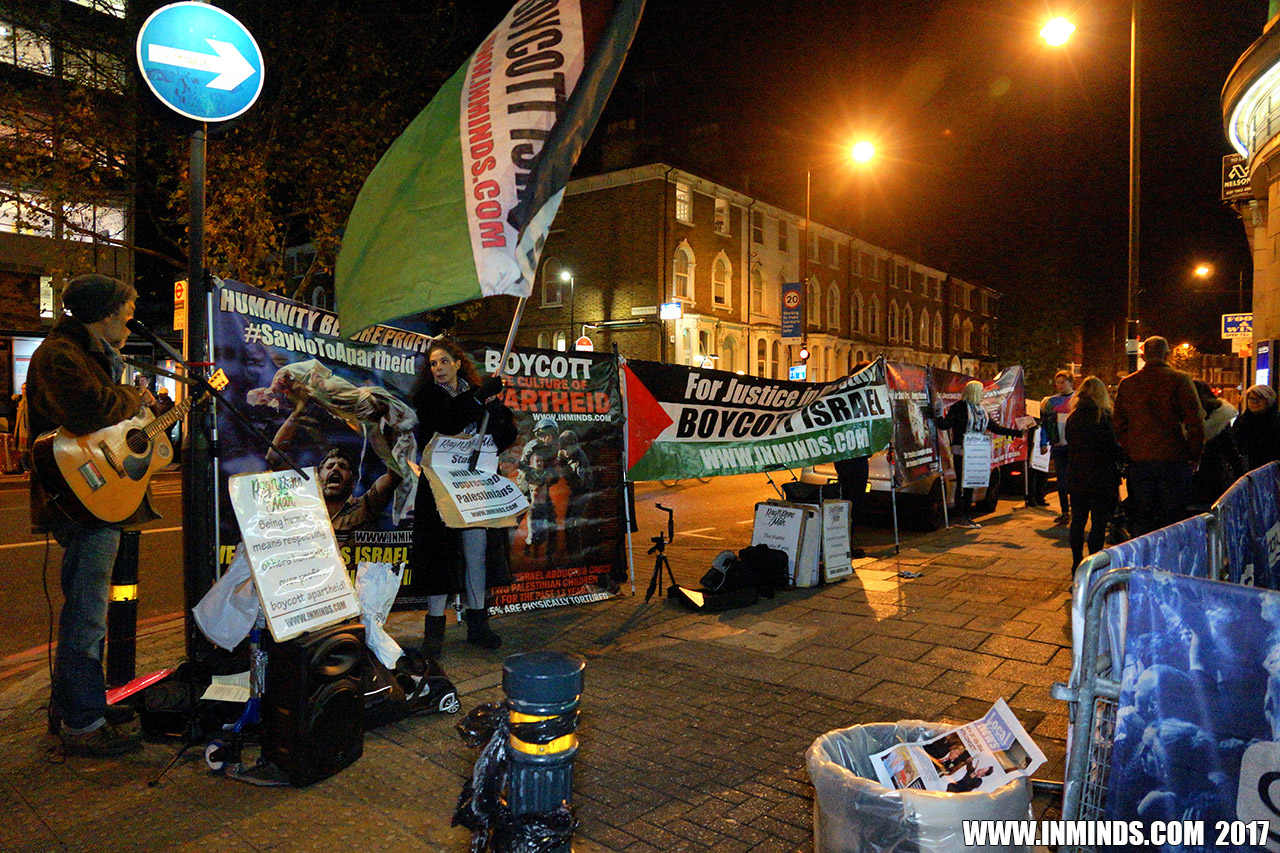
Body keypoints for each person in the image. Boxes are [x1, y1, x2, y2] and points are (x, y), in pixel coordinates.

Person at [26, 274, 158, 757]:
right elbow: (90, 410)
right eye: (127, 308)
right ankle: (83, 722)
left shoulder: (91, 354)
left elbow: (109, 429)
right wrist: (134, 399)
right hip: (80, 499)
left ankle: (78, 704)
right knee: (86, 616)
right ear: (105, 312)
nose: (131, 316)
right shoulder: (60, 356)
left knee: (89, 612)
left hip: (96, 497)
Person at [408, 339, 516, 655]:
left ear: (458, 363)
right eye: (433, 364)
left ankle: (478, 624)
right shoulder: (427, 397)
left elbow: (503, 436)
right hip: (440, 488)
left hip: (473, 487)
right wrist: (478, 398)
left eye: (444, 361)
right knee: (440, 557)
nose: (438, 368)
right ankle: (434, 631)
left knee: (476, 554)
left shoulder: (478, 395)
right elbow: (446, 421)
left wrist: (497, 413)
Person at [1113, 336, 1205, 537]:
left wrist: (1132, 448)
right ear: (1167, 354)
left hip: (1140, 461)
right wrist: (1194, 455)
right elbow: (1195, 422)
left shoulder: (1128, 383)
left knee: (1142, 517)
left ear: (1143, 356)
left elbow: (1119, 423)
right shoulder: (1180, 380)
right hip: (1174, 459)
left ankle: (1143, 554)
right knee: (1173, 519)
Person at [930, 380, 1022, 529]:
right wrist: (938, 414)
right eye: (981, 391)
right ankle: (961, 517)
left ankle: (967, 516)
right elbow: (945, 425)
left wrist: (1016, 433)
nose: (983, 394)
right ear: (974, 392)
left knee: (971, 483)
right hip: (962, 451)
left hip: (977, 451)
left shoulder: (981, 410)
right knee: (963, 483)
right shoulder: (959, 407)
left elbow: (995, 428)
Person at [1062, 376, 1124, 570]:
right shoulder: (1103, 417)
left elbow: (1070, 444)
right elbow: (1111, 447)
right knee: (1098, 523)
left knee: (1078, 522)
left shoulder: (1073, 417)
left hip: (1077, 475)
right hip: (1101, 478)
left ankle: (1076, 562)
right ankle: (1093, 564)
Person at [833, 360, 871, 558]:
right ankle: (844, 543)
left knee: (850, 500)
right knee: (852, 501)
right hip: (852, 455)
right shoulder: (855, 396)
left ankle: (844, 542)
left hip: (848, 455)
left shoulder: (845, 393)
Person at [1191, 380, 1241, 507]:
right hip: (1215, 475)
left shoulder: (1185, 417)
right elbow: (1231, 452)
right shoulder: (1221, 419)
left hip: (1187, 475)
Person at [518, 417, 561, 560]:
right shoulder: (532, 446)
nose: (548, 438)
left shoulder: (553, 449)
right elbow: (522, 466)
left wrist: (549, 477)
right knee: (517, 518)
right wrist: (529, 484)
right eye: (545, 435)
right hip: (527, 486)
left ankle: (549, 555)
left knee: (552, 522)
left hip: (542, 487)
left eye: (550, 435)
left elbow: (554, 471)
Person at [1040, 370, 1075, 524]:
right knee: (1061, 479)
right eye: (1058, 382)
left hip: (1074, 446)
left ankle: (1075, 509)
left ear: (1070, 383)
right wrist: (1043, 442)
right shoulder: (1051, 402)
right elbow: (1046, 425)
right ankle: (1065, 511)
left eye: (1063, 382)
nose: (1060, 385)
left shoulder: (1077, 400)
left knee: (1074, 479)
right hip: (1059, 445)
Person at [557, 427, 593, 558]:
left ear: (573, 446)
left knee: (573, 523)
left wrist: (564, 466)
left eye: (565, 449)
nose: (563, 451)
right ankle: (571, 553)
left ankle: (576, 554)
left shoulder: (579, 459)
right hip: (575, 492)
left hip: (582, 492)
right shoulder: (567, 455)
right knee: (568, 523)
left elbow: (579, 482)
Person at [1231, 384, 1280, 474]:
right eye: (1251, 399)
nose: (1255, 402)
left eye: (1260, 399)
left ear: (1269, 401)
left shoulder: (1276, 421)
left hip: (1271, 471)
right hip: (1245, 472)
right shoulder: (1242, 421)